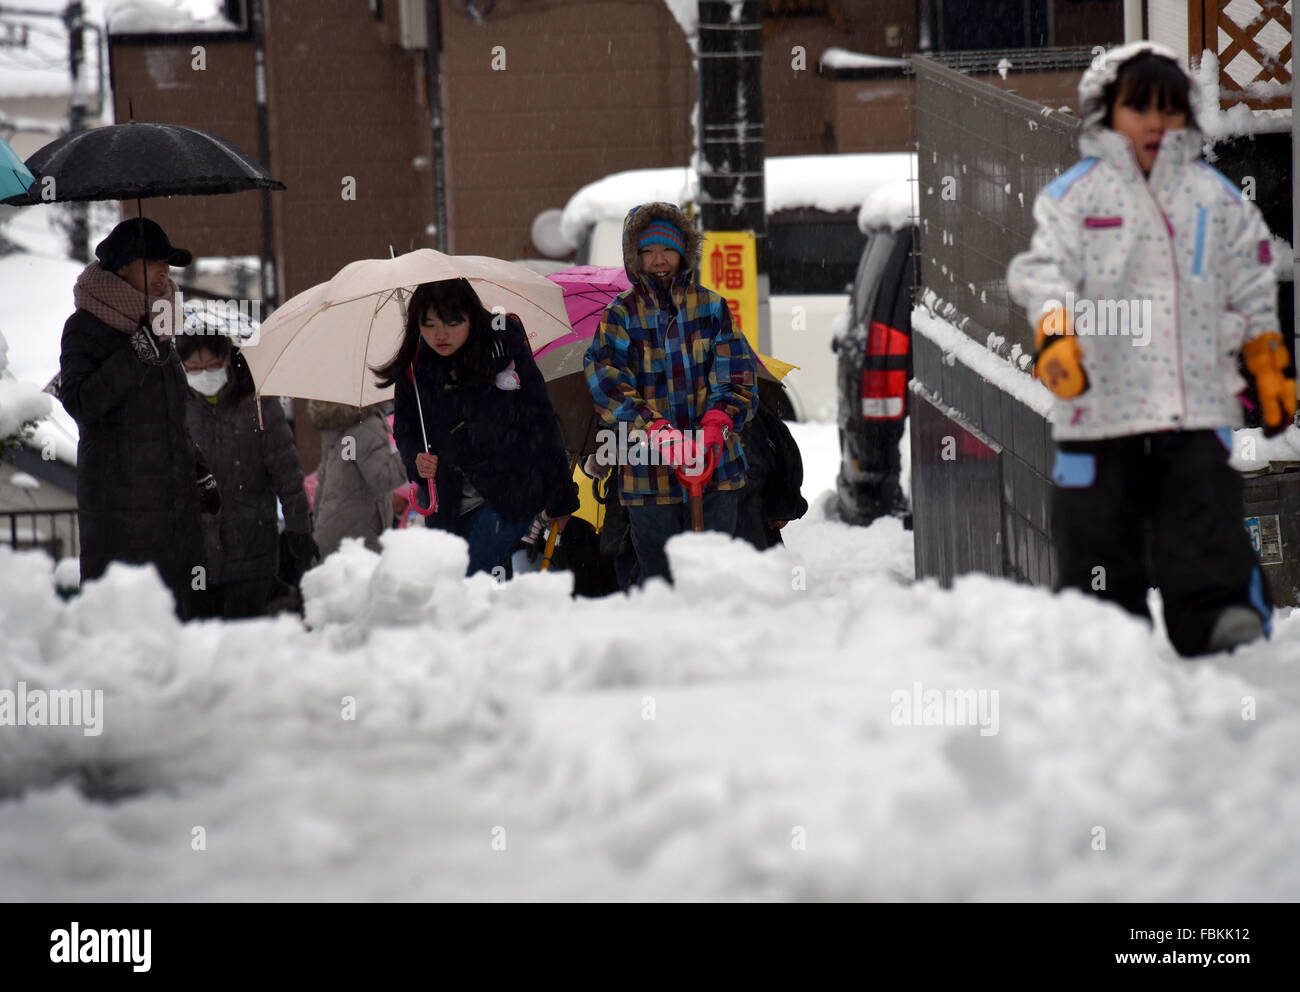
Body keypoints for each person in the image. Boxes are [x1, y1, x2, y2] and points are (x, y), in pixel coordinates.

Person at [1007, 42, 1296, 657]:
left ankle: (1219, 619)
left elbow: (1250, 277)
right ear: (1107, 116)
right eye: (1139, 108)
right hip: (1098, 404)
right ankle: (1104, 634)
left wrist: (1267, 356)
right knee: (1094, 529)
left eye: (1170, 109)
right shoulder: (1075, 196)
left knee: (1204, 517)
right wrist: (1056, 334)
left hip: (1192, 402)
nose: (1156, 123)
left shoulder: (1214, 197)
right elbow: (1045, 273)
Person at [583, 203, 757, 583]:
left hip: (715, 467)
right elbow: (607, 382)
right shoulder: (620, 315)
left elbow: (737, 372)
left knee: (712, 576)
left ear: (683, 251)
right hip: (647, 474)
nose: (659, 260)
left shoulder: (712, 308)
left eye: (667, 250)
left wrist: (717, 422)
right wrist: (655, 430)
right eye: (647, 251)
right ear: (635, 258)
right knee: (660, 579)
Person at [58, 218, 217, 619]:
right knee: (129, 637)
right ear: (123, 265)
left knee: (180, 631)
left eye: (167, 262)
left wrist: (196, 468)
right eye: (152, 261)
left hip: (175, 514)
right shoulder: (85, 327)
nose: (164, 271)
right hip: (120, 511)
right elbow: (79, 401)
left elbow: (169, 417)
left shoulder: (163, 328)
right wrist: (136, 353)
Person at [375, 278, 578, 578]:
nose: (440, 334)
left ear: (472, 316)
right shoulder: (415, 366)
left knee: (470, 578)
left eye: (452, 322)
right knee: (480, 592)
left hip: (511, 491)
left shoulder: (503, 349)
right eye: (428, 324)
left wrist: (561, 496)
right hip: (447, 501)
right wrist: (417, 460)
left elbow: (541, 420)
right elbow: (406, 430)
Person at [177, 327, 315, 618]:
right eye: (195, 368)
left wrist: (298, 527)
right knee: (200, 648)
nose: (204, 374)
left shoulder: (258, 404)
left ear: (227, 358)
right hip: (195, 554)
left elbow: (286, 473)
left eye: (211, 365)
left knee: (245, 644)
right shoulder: (176, 408)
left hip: (253, 549)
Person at [307, 400, 407, 557]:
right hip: (359, 532)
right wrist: (411, 454)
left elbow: (322, 482)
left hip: (329, 529)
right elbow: (382, 478)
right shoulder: (367, 425)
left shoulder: (336, 426)